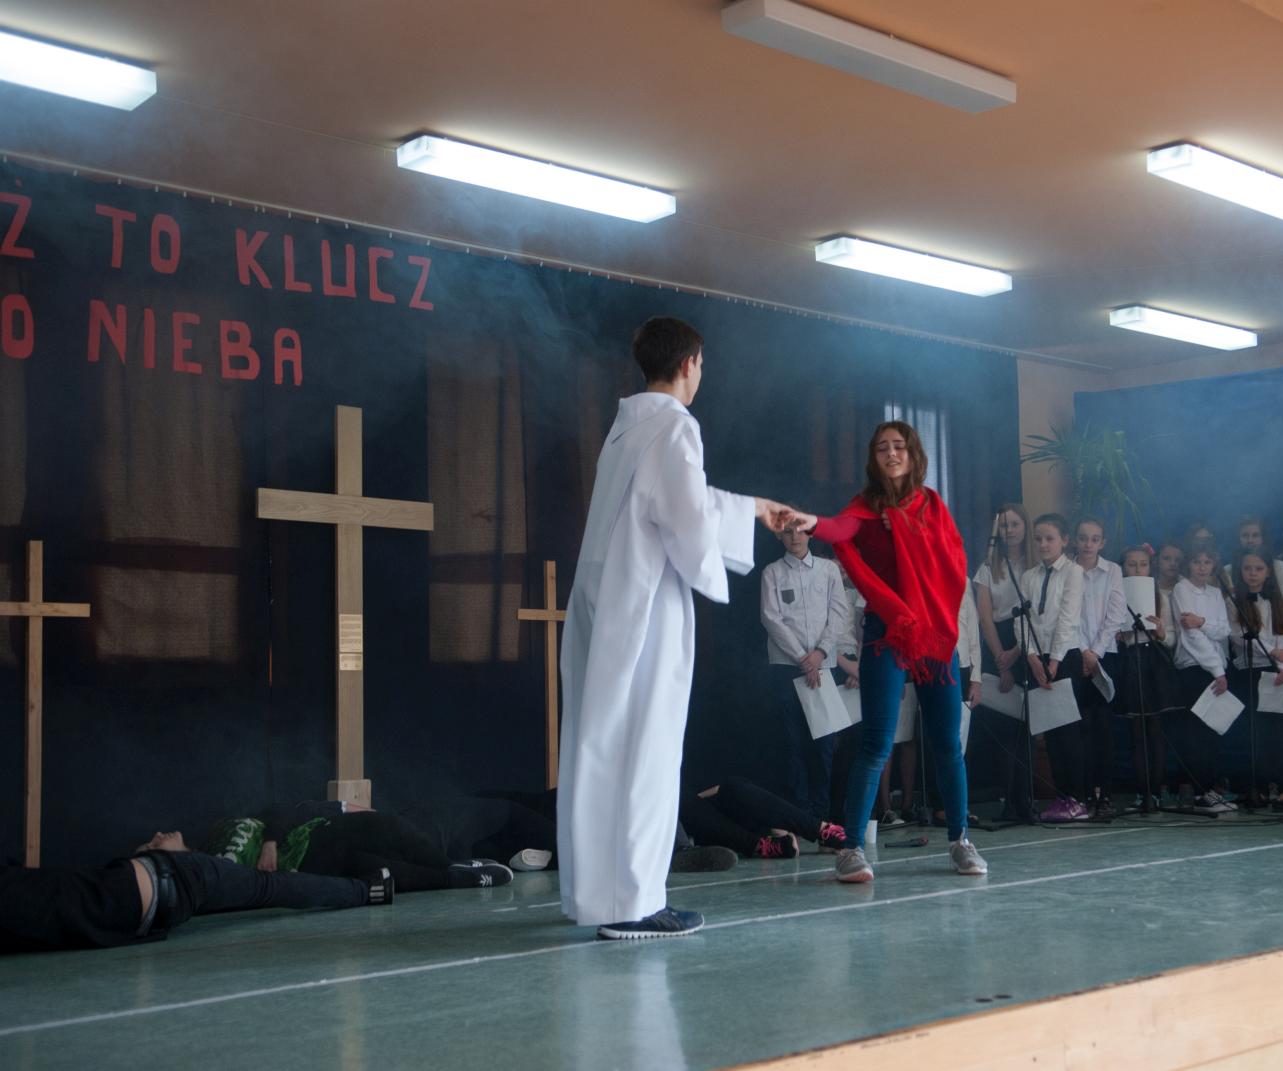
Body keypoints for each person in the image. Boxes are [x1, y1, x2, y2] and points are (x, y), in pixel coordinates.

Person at [558, 316, 797, 940]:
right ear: (690, 363)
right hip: (643, 609)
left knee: (600, 746)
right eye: (702, 364)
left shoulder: (624, 430)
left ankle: (596, 895)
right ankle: (635, 903)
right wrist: (744, 520)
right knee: (647, 749)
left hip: (605, 602)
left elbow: (679, 501)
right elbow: (686, 520)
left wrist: (750, 508)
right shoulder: (675, 425)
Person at [806, 420, 986, 883]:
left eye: (899, 446)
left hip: (931, 633)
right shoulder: (865, 507)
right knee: (876, 743)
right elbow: (839, 529)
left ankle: (960, 840)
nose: (891, 453)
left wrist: (906, 525)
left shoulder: (931, 505)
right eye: (882, 447)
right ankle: (850, 849)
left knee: (947, 743)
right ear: (874, 457)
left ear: (912, 453)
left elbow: (953, 560)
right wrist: (811, 523)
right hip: (886, 630)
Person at [2, 835, 390, 953]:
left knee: (270, 888)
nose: (160, 834)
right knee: (271, 887)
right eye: (154, 840)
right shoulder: (184, 869)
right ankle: (365, 889)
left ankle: (365, 889)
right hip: (176, 880)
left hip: (173, 885)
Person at [206, 800, 514, 891]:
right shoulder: (206, 871)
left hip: (313, 836)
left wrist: (270, 843)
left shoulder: (221, 830)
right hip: (306, 870)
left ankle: (450, 867)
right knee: (377, 871)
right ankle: (461, 879)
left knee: (387, 825)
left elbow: (277, 812)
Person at [759, 524, 853, 819]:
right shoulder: (772, 572)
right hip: (787, 667)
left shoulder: (828, 570)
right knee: (791, 742)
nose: (795, 536)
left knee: (825, 744)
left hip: (823, 666)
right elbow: (771, 618)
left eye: (800, 530)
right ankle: (799, 813)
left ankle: (822, 813)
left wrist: (819, 653)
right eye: (788, 532)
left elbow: (839, 614)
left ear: (810, 533)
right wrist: (803, 658)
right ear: (779, 535)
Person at [1020, 513, 1087, 821]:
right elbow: (1022, 619)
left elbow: (1068, 618)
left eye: (1050, 538)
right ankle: (1061, 797)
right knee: (1051, 734)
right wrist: (1032, 657)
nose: (1043, 544)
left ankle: (1077, 798)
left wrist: (1055, 661)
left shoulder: (1073, 572)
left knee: (1069, 731)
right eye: (1038, 539)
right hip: (1038, 658)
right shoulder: (1029, 577)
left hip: (1065, 657)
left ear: (1064, 540)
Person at [972, 503, 1035, 821]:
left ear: (1025, 527)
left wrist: (1019, 652)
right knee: (1005, 730)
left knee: (1027, 730)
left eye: (1015, 524)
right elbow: (985, 618)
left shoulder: (1034, 566)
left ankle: (1027, 801)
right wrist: (1002, 662)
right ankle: (1010, 800)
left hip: (1028, 645)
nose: (1010, 531)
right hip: (997, 645)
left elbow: (1037, 613)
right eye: (1005, 526)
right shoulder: (987, 568)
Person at [1169, 541, 1236, 812]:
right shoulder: (1182, 589)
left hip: (1217, 667)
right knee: (1196, 732)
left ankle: (1209, 790)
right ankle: (1200, 792)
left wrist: (1203, 622)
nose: (1202, 567)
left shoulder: (1216, 593)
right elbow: (1191, 634)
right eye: (1197, 561)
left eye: (1207, 562)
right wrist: (1217, 670)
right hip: (1195, 667)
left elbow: (1224, 630)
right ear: (1189, 564)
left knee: (1211, 732)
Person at [1226, 550, 1283, 804]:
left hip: (1276, 671)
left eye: (1258, 568)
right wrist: (1273, 651)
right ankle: (1260, 787)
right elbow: (1238, 635)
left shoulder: (1276, 601)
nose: (1253, 573)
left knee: (1280, 731)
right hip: (1250, 670)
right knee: (1256, 732)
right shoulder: (1234, 601)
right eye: (1248, 568)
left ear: (1268, 572)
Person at [1071, 517, 1127, 815]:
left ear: (1102, 542)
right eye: (1083, 538)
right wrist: (1083, 652)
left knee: (1104, 728)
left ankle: (1104, 793)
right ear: (1074, 540)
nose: (1088, 544)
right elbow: (1067, 616)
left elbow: (1116, 614)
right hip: (1075, 655)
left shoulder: (1113, 570)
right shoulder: (1068, 570)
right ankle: (1083, 793)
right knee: (1081, 726)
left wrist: (1096, 653)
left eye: (1094, 539)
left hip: (1106, 656)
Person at [1117, 543, 1177, 808]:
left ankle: (1157, 790)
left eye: (1143, 564)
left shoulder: (1159, 595)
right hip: (1130, 660)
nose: (1138, 569)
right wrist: (1117, 635)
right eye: (1132, 564)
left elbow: (1172, 638)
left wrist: (1161, 632)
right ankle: (1142, 791)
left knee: (1155, 729)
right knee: (1136, 732)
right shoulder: (1117, 594)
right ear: (1123, 567)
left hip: (1153, 661)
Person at [679, 775, 847, 859]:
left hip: (711, 815)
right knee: (684, 803)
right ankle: (762, 846)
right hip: (690, 829)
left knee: (731, 786)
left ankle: (820, 829)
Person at [1225, 515, 1283, 597]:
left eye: (1255, 535)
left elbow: (1282, 601)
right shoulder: (1228, 571)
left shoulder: (1279, 567)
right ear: (1238, 538)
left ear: (1263, 538)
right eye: (1245, 535)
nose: (1250, 540)